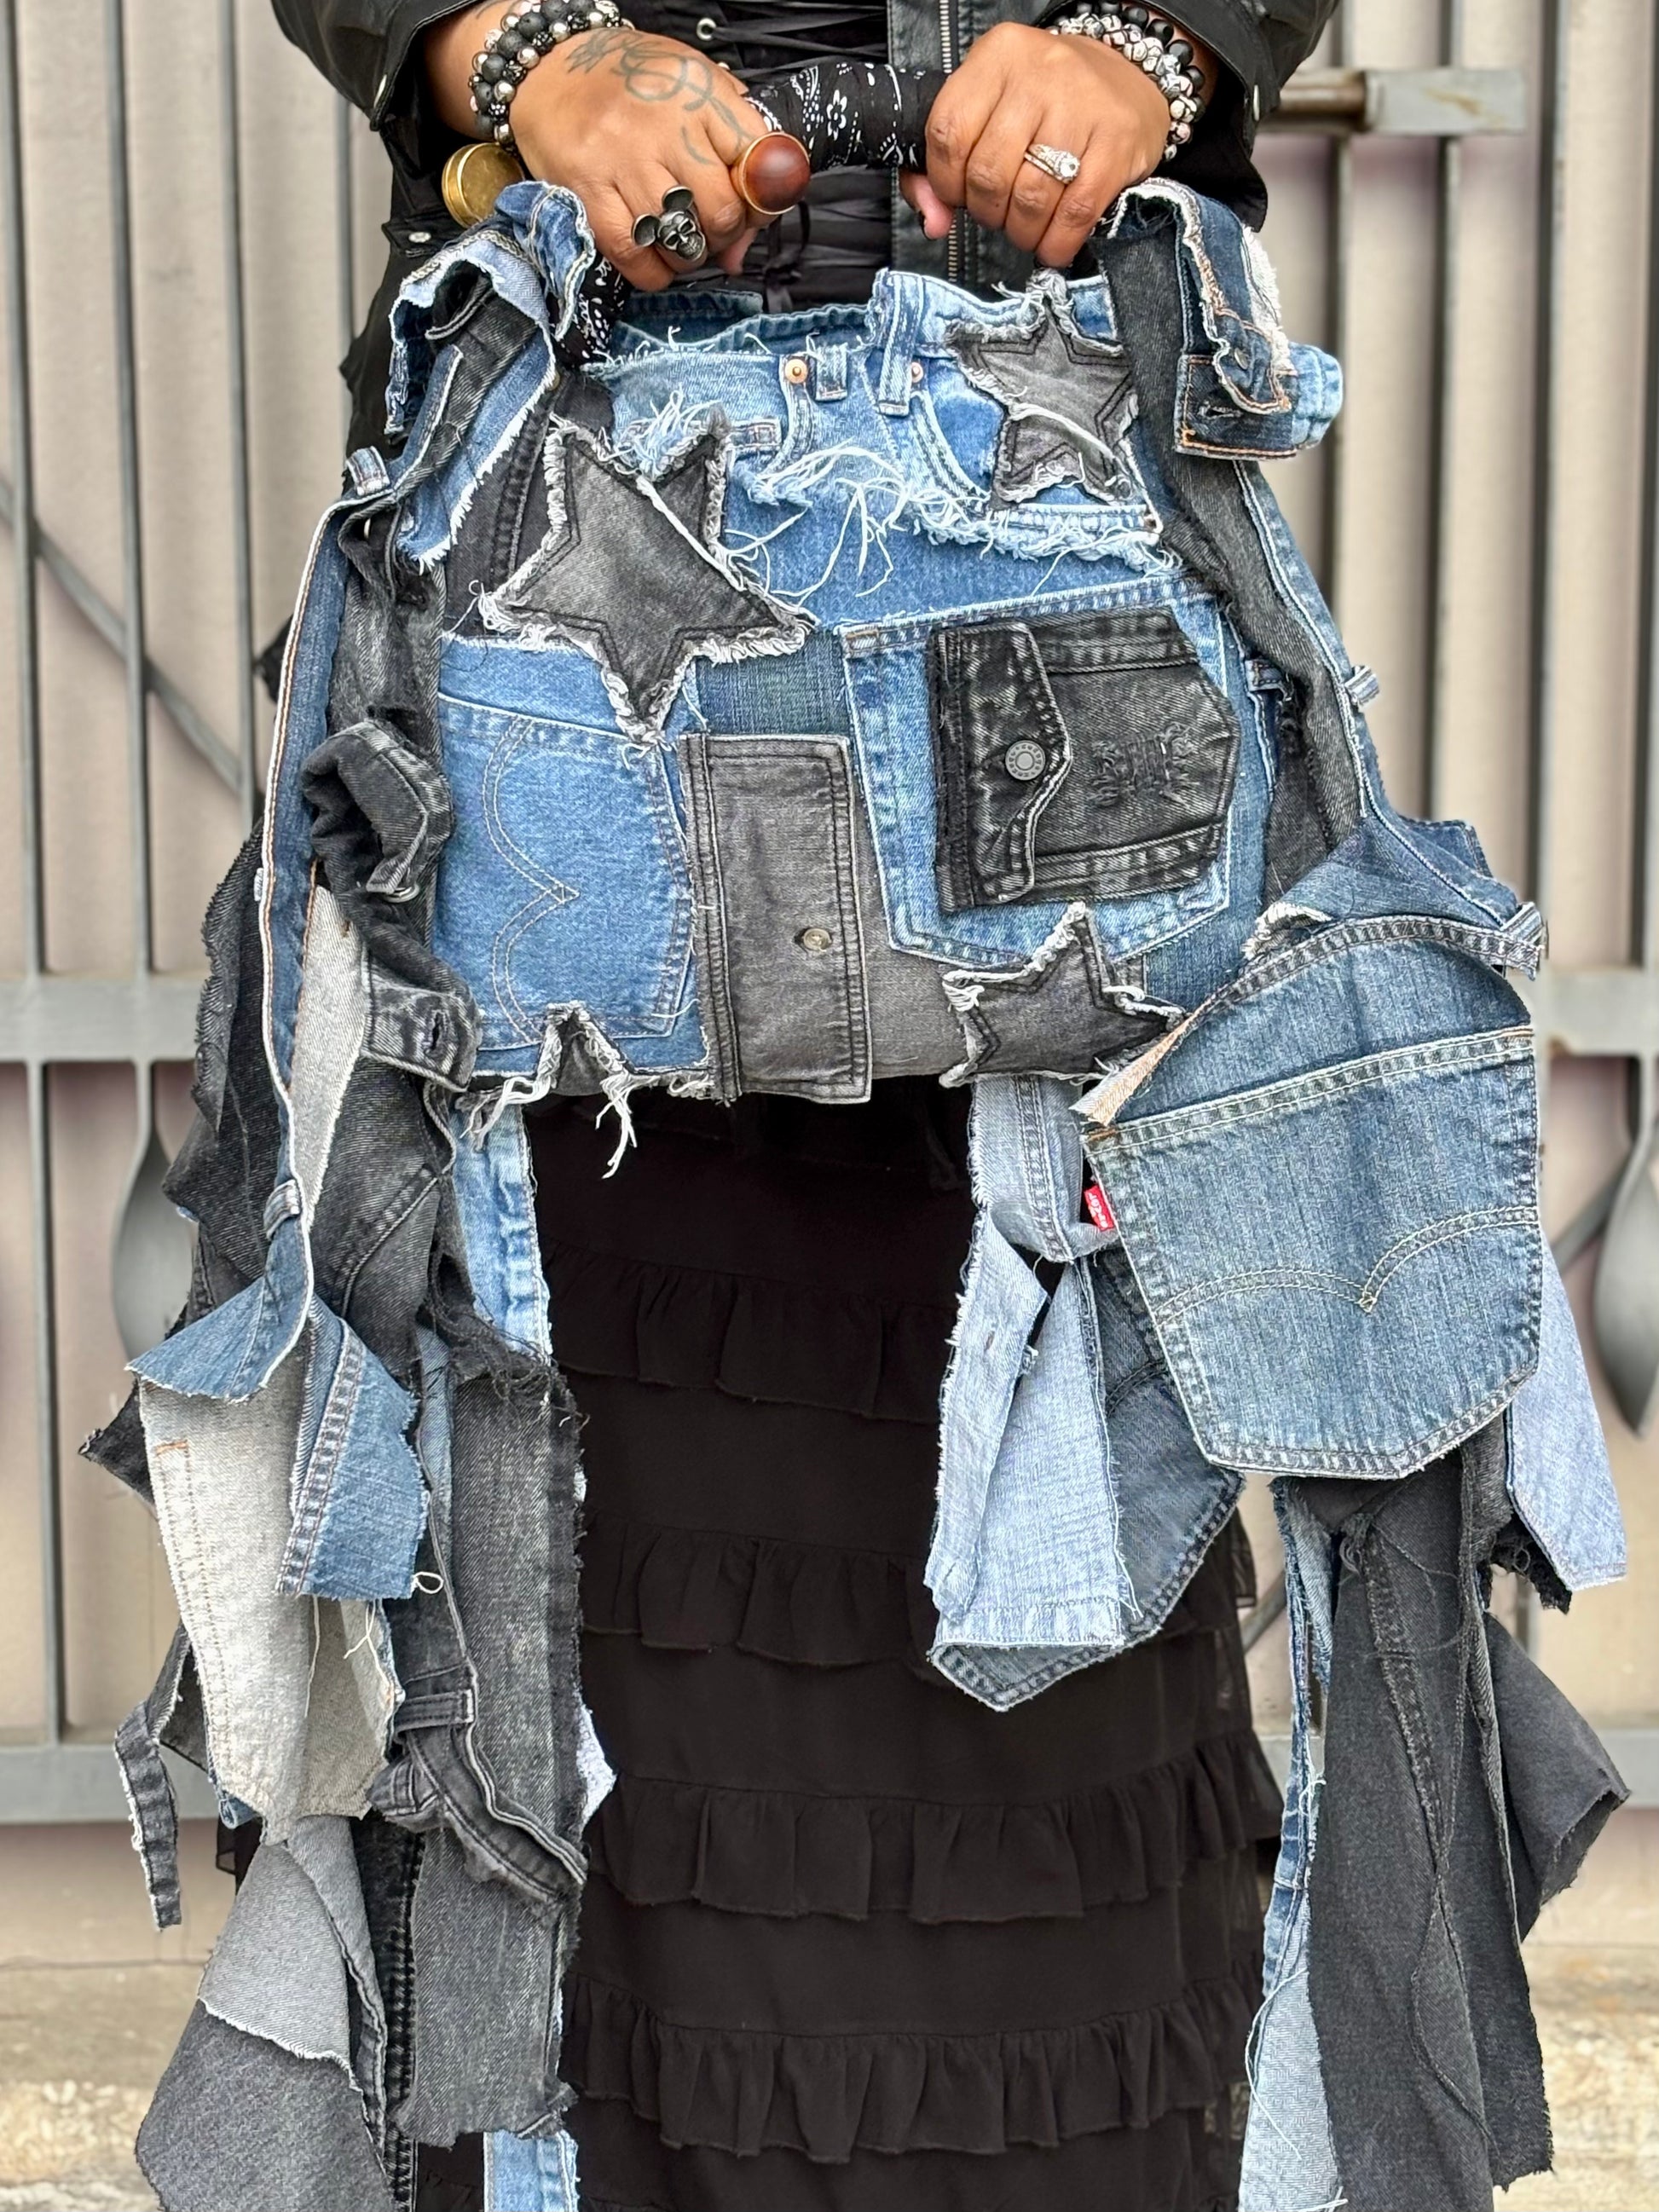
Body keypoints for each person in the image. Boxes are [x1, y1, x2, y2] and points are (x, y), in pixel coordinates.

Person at [267, 6, 1338, 2209]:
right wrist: (508, 51)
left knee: (1059, 1484)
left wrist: (1161, 43)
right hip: (582, 576)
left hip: (1040, 524)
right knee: (574, 1535)